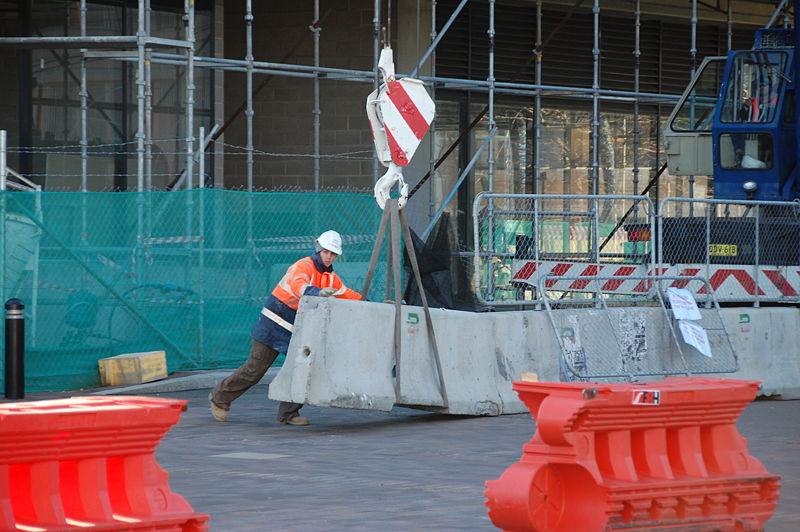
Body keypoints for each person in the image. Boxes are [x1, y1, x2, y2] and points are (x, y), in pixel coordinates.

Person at [209, 230, 363, 425]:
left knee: (302, 369)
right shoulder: (303, 266)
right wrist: (317, 292)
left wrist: (371, 303)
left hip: (295, 329)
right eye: (326, 252)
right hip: (272, 324)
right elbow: (298, 285)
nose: (329, 256)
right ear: (318, 249)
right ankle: (219, 398)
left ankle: (288, 415)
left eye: (333, 254)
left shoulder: (331, 278)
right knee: (254, 370)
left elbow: (346, 293)